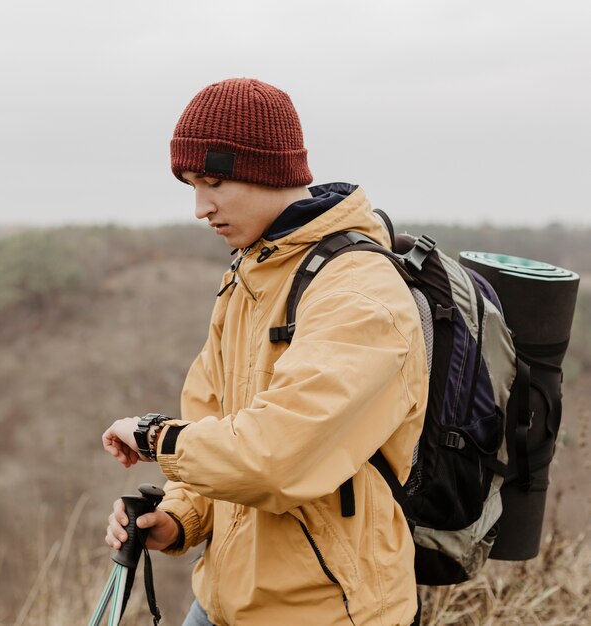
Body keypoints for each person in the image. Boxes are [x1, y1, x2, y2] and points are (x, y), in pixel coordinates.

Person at [102, 77, 428, 626]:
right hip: (225, 602)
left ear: (270, 172)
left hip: (328, 611)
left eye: (214, 181)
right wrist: (179, 516)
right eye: (190, 184)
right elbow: (216, 427)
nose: (200, 207)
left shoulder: (357, 290)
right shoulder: (248, 279)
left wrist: (156, 437)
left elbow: (275, 457)